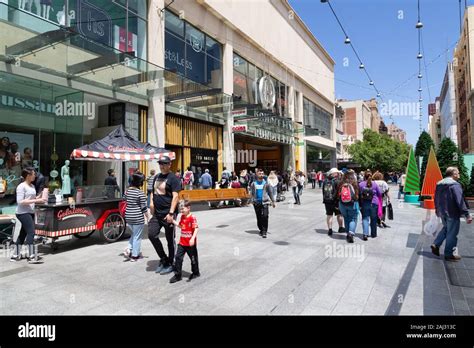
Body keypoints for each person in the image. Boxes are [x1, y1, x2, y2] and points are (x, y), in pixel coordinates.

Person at [431, 167, 472, 261]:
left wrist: (437, 210)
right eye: (458, 173)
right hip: (452, 213)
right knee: (452, 234)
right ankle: (449, 254)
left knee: (446, 229)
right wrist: (467, 214)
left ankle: (436, 244)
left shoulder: (439, 184)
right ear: (453, 174)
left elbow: (436, 198)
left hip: (442, 212)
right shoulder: (455, 185)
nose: (459, 174)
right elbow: (460, 200)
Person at [149, 156, 181, 274]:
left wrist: (171, 213)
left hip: (168, 214)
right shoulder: (156, 177)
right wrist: (151, 203)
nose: (162, 166)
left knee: (169, 239)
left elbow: (176, 196)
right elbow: (153, 191)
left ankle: (171, 262)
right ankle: (164, 259)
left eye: (164, 164)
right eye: (160, 164)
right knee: (152, 234)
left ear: (169, 165)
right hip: (157, 214)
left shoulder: (174, 179)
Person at [10, 167, 45, 263]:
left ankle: (15, 255)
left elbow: (32, 198)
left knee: (23, 234)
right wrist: (37, 200)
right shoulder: (21, 186)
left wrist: (41, 196)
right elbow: (20, 201)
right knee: (31, 232)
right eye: (33, 174)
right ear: (28, 175)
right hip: (22, 213)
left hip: (30, 212)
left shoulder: (32, 186)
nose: (35, 175)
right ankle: (31, 256)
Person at [170, 200, 200, 283]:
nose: (181, 211)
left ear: (188, 208)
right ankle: (178, 275)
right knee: (178, 258)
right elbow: (181, 226)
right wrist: (173, 221)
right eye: (180, 209)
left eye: (183, 209)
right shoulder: (182, 216)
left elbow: (196, 228)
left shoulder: (192, 217)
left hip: (190, 244)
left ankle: (195, 272)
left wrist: (192, 239)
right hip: (182, 243)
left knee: (193, 259)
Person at [124, 173, 151, 262]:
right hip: (137, 217)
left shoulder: (127, 191)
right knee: (137, 237)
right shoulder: (140, 193)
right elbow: (143, 207)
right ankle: (135, 255)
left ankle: (129, 249)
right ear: (139, 183)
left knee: (135, 234)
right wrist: (148, 217)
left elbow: (125, 200)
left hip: (128, 216)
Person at [250, 169, 275, 238]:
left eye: (262, 173)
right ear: (257, 174)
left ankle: (264, 231)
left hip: (265, 202)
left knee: (265, 216)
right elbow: (251, 193)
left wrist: (273, 201)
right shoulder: (253, 184)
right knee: (259, 217)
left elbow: (270, 193)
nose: (261, 174)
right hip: (256, 203)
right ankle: (261, 229)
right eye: (260, 173)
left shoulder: (266, 183)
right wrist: (251, 200)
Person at [359, 171, 382, 240]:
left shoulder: (360, 184)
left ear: (364, 176)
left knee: (365, 218)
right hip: (374, 203)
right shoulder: (374, 184)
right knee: (374, 219)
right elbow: (380, 194)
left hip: (364, 203)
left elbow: (359, 194)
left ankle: (365, 234)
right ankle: (373, 234)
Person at [337, 170, 359, 243]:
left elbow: (337, 194)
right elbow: (358, 195)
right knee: (353, 219)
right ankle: (351, 233)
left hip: (342, 204)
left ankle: (347, 233)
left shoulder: (341, 183)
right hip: (352, 204)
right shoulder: (355, 183)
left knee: (346, 218)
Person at [323, 168, 345, 236]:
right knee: (339, 215)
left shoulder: (325, 181)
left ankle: (330, 229)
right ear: (334, 173)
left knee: (329, 215)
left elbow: (323, 192)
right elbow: (340, 192)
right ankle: (340, 228)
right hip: (336, 202)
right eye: (337, 173)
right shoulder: (337, 181)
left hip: (327, 201)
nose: (338, 174)